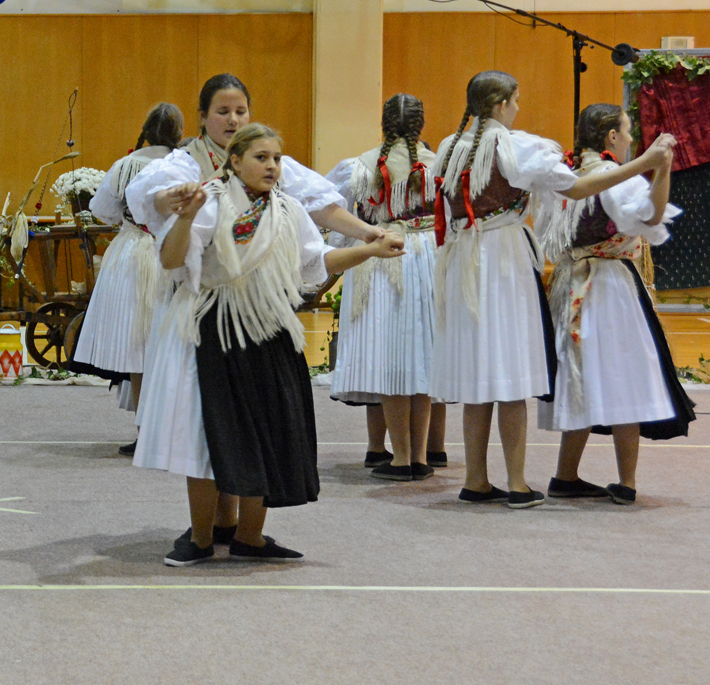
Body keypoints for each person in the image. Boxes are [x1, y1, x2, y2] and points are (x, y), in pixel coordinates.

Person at [127, 74, 384, 548]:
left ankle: (250, 536)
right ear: (233, 158)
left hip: (268, 330)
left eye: (275, 158)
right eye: (261, 158)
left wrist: (369, 245)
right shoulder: (204, 193)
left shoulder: (287, 208)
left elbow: (317, 258)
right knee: (204, 438)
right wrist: (181, 210)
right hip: (211, 326)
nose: (271, 166)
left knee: (264, 431)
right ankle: (203, 535)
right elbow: (163, 238)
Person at [430, 71, 675, 508]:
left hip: (460, 259)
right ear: (502, 103)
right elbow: (578, 186)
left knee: (478, 377)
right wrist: (646, 163)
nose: (519, 108)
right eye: (517, 100)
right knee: (508, 376)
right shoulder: (511, 145)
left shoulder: (450, 147)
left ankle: (476, 479)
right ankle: (519, 483)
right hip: (501, 261)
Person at [536, 104, 693, 505]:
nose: (628, 139)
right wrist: (662, 169)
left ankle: (565, 475)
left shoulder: (565, 174)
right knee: (626, 375)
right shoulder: (615, 179)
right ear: (610, 137)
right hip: (608, 286)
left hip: (571, 284)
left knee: (583, 376)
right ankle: (626, 481)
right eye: (625, 132)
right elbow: (653, 216)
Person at [326, 94, 447, 481]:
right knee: (422, 354)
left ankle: (399, 457)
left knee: (392, 356)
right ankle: (422, 457)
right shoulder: (437, 166)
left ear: (382, 123)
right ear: (421, 125)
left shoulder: (357, 167)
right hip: (428, 258)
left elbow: (331, 211)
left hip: (382, 256)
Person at [69, 103, 184, 454]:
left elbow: (101, 209)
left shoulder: (126, 165)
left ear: (146, 129)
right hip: (176, 252)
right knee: (171, 343)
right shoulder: (185, 165)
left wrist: (128, 218)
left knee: (137, 344)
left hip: (134, 252)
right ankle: (176, 427)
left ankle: (144, 431)